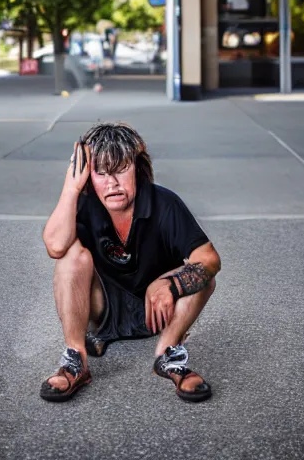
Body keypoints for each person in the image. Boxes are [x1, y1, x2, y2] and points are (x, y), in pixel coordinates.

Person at [40, 122, 221, 403]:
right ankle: (76, 360)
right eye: (100, 172)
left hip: (157, 313)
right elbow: (54, 246)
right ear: (88, 174)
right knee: (71, 256)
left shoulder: (164, 203)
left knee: (203, 274)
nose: (112, 183)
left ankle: (169, 356)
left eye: (121, 169)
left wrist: (170, 286)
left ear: (137, 168)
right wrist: (71, 187)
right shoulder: (86, 202)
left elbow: (209, 259)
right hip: (102, 312)